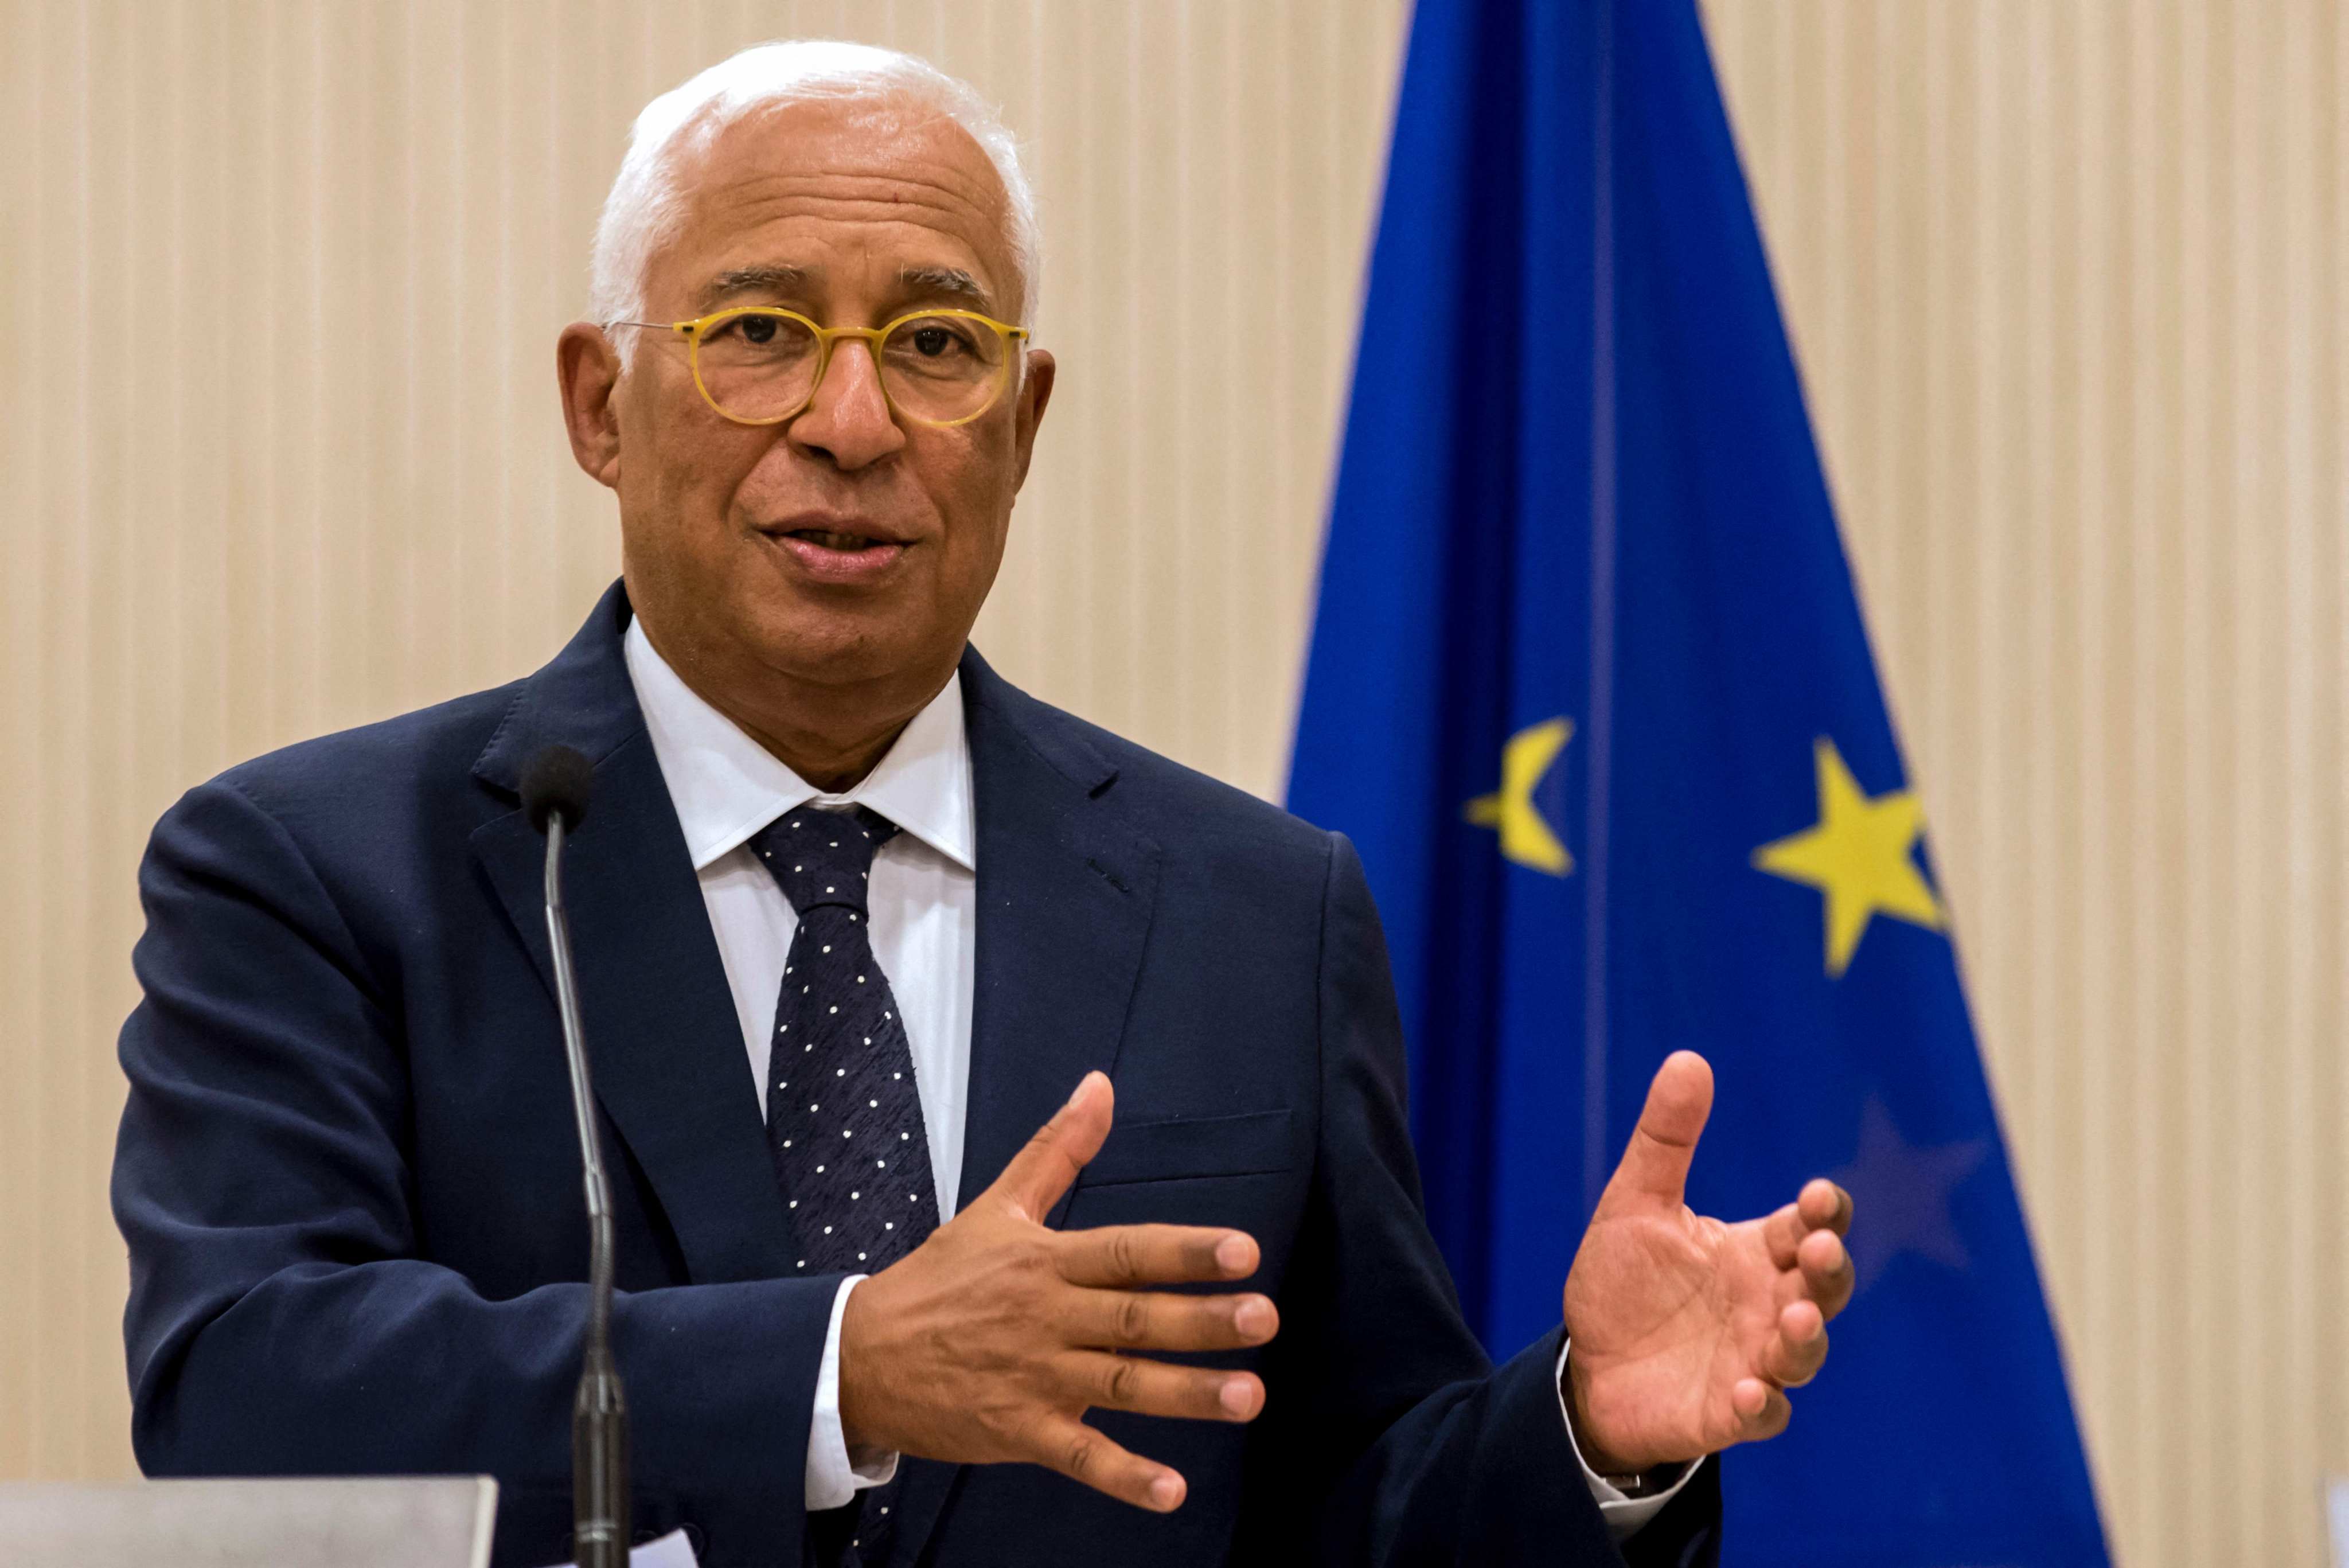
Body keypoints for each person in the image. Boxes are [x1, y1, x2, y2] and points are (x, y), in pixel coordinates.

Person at [112, 41, 1853, 1568]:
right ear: (601, 404)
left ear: (1021, 423)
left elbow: (1351, 1507)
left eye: (936, 343)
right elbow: (242, 1390)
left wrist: (1589, 1435)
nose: (851, 419)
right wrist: (843, 1369)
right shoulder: (329, 871)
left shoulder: (1254, 909)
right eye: (760, 333)